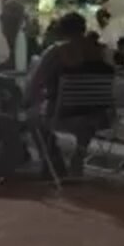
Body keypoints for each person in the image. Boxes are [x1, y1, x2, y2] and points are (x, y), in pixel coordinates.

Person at [24, 12, 115, 178]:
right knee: (86, 109)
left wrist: (27, 100)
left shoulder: (57, 52)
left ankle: (52, 161)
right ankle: (78, 157)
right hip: (99, 117)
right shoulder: (102, 52)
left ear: (61, 31)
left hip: (64, 116)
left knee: (31, 117)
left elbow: (36, 82)